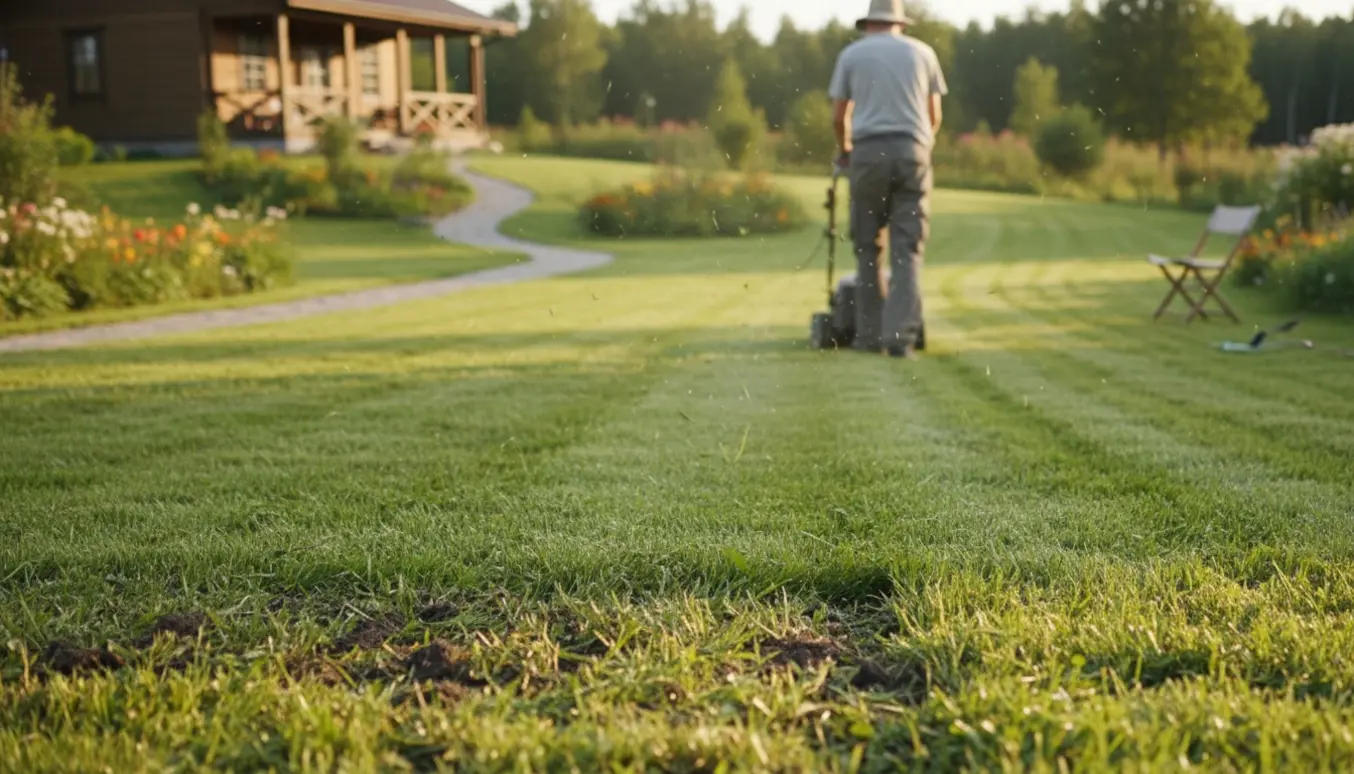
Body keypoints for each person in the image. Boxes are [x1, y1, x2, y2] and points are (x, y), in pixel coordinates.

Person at [828, 0, 947, 359]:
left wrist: (845, 149)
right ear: (900, 23)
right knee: (907, 248)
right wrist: (919, 146)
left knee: (867, 246)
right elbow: (934, 116)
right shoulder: (923, 54)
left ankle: (869, 335)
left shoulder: (851, 55)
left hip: (867, 153)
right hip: (913, 152)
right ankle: (900, 339)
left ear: (868, 23)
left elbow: (838, 116)